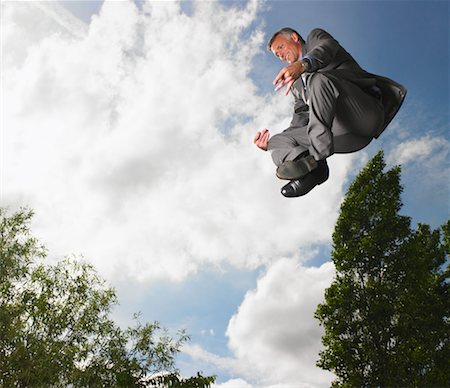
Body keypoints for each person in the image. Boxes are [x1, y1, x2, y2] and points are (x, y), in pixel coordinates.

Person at [254, 28, 406, 197]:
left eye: (281, 47)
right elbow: (300, 118)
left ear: (295, 38)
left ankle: (318, 158)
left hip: (362, 112)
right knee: (278, 140)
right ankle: (315, 169)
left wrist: (303, 65)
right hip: (341, 137)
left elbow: (328, 47)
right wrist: (271, 146)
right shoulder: (297, 85)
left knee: (318, 80)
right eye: (277, 55)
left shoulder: (315, 40)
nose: (280, 55)